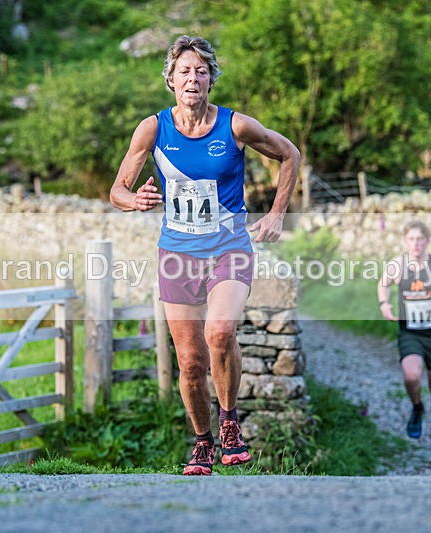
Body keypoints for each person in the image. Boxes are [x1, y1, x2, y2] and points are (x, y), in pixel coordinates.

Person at [110, 35, 299, 475]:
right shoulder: (153, 129)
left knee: (220, 332)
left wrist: (275, 215)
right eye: (184, 71)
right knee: (191, 361)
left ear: (211, 79)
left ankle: (230, 421)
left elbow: (289, 154)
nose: (192, 78)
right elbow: (117, 189)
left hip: (229, 247)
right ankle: (202, 442)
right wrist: (133, 199)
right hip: (177, 252)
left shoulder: (235, 126)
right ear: (171, 81)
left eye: (200, 70)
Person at [378, 220, 431, 455]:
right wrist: (384, 303)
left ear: (427, 241)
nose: (416, 244)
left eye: (420, 239)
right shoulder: (398, 265)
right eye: (411, 239)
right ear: (405, 241)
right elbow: (383, 284)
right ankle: (417, 406)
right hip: (410, 332)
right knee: (411, 374)